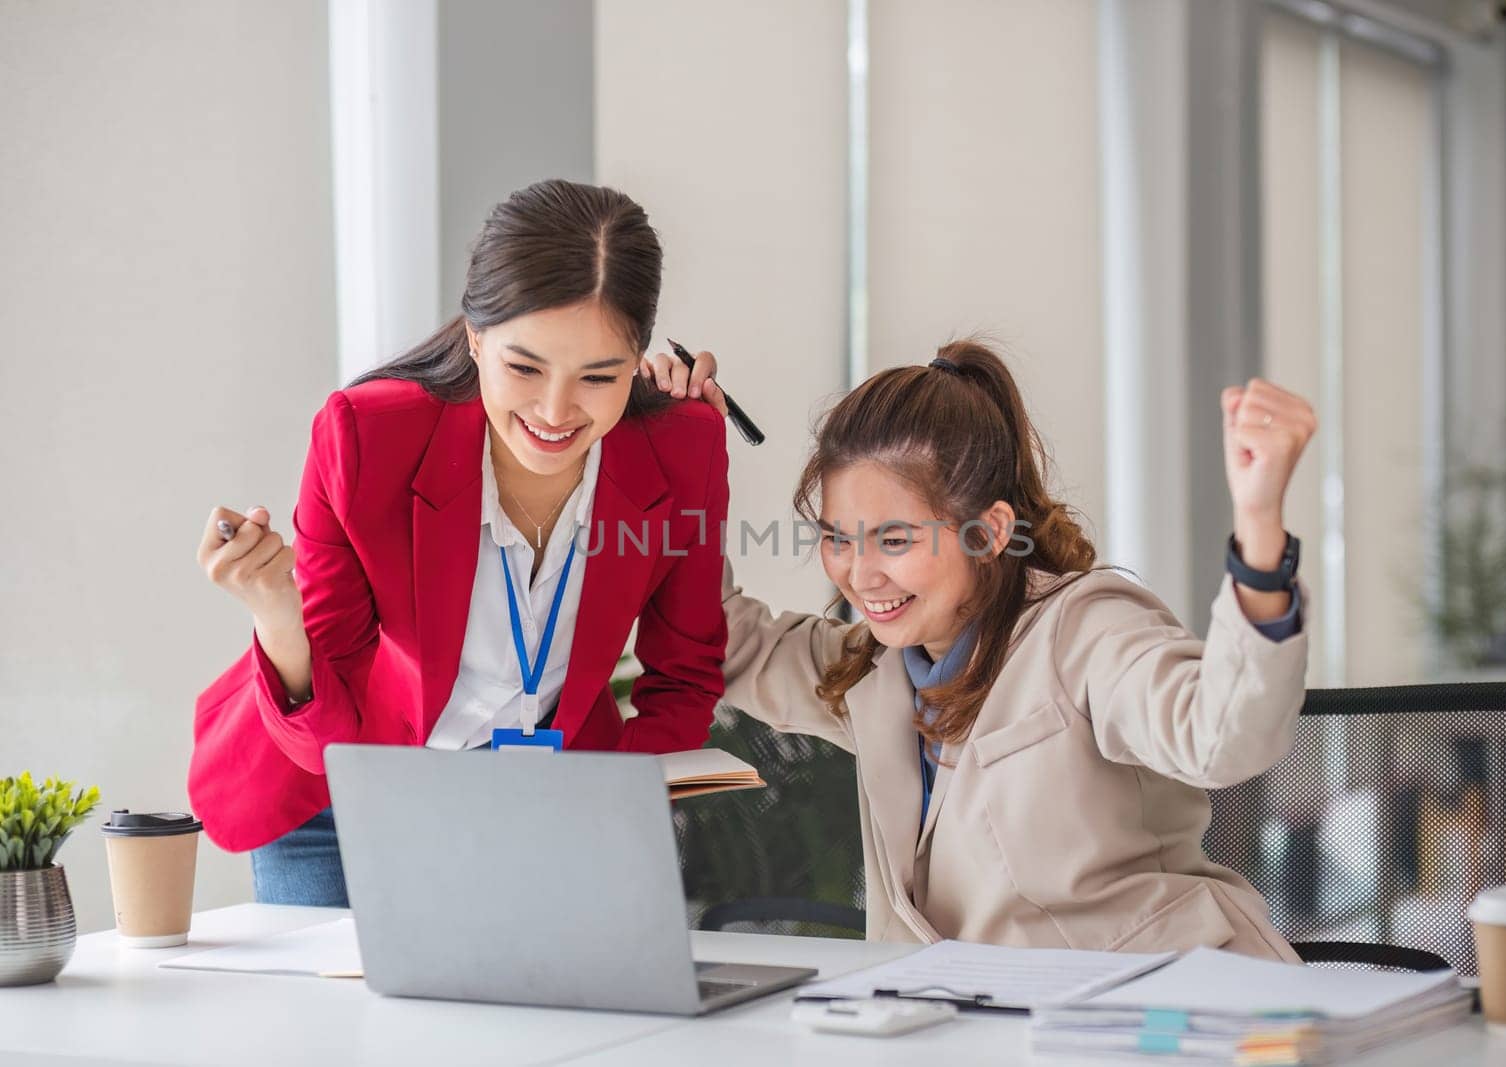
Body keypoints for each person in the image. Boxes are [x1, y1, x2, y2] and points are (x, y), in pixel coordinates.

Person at [643, 340, 1316, 958]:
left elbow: (1223, 736)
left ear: (990, 532)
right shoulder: (873, 668)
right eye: (838, 538)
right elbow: (724, 641)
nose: (860, 573)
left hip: (1165, 1011)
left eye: (895, 540)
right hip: (970, 1026)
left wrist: (1259, 531)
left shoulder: (1086, 630)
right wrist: (672, 454)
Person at [192, 180, 729, 906]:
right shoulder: (365, 438)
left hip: (548, 797)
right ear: (475, 336)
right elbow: (335, 734)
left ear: (638, 358)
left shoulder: (681, 448)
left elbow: (686, 675)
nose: (554, 410)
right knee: (338, 1019)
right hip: (345, 793)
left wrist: (609, 800)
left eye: (598, 376)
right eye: (524, 367)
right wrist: (275, 613)